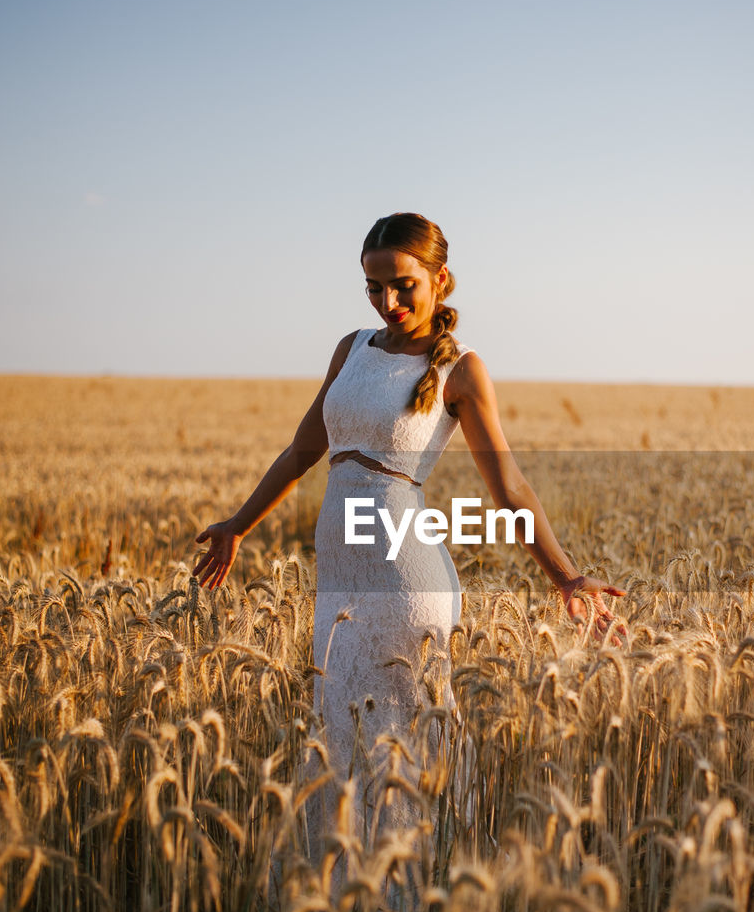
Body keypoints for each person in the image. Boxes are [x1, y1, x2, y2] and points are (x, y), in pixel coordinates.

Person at [194, 212, 624, 856]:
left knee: (409, 739)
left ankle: (422, 904)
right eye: (373, 287)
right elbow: (301, 449)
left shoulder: (462, 370)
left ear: (439, 278)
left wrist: (565, 575)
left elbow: (509, 487)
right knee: (336, 735)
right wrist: (238, 525)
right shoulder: (352, 348)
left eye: (402, 286)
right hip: (339, 574)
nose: (386, 302)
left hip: (404, 579)